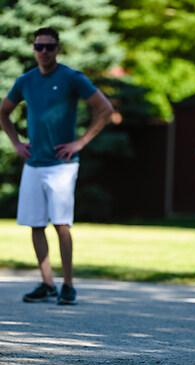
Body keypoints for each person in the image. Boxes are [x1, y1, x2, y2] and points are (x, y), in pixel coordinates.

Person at [0, 27, 113, 305]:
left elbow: (105, 109)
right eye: (39, 46)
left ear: (58, 49)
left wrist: (81, 142)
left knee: (61, 224)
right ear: (33, 49)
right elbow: (3, 112)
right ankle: (47, 283)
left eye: (49, 47)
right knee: (36, 224)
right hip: (34, 163)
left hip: (62, 165)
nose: (44, 52)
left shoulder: (71, 77)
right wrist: (16, 143)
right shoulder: (25, 80)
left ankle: (68, 285)